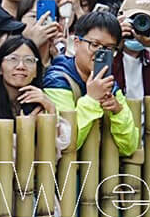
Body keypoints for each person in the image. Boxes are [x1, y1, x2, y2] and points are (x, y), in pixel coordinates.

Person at [37, 12, 139, 154]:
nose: (100, 53)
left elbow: (129, 148)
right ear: (77, 43)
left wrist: (118, 111)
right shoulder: (57, 79)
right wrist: (92, 100)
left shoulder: (108, 83)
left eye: (108, 49)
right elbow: (66, 143)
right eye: (95, 44)